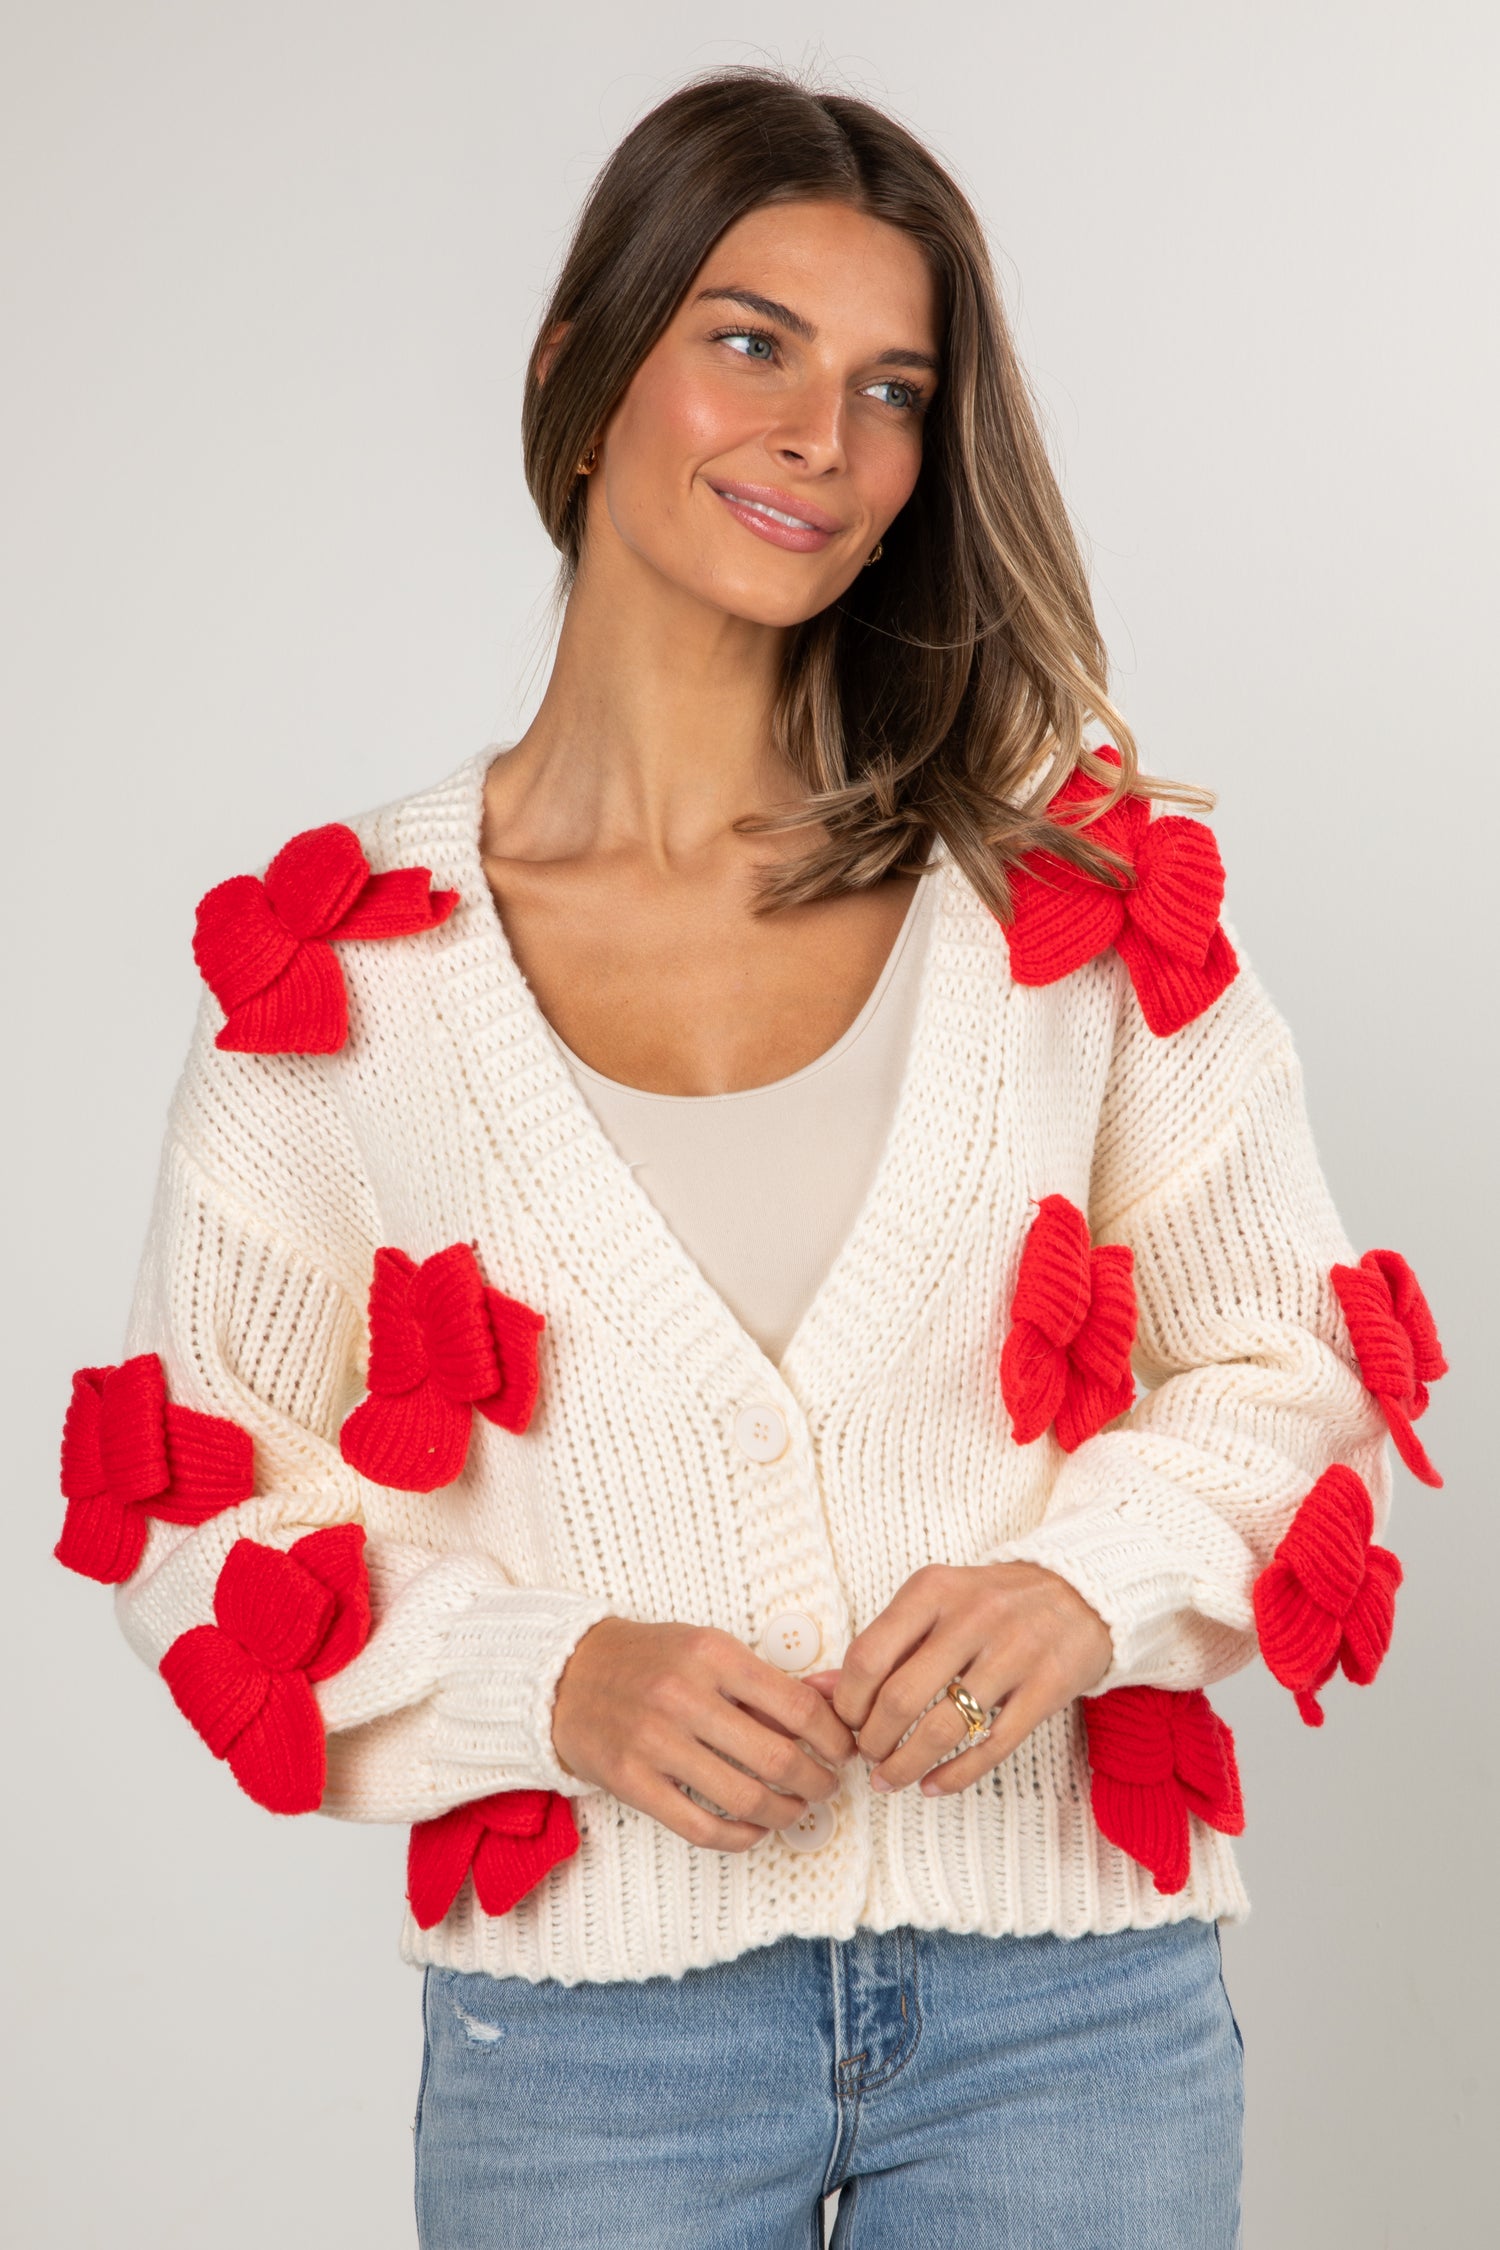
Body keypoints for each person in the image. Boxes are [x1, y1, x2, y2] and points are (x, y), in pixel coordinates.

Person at [55, 65, 1446, 2250]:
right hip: (594, 2046)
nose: (825, 435)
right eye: (749, 340)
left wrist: (1084, 1588)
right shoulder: (355, 988)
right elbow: (191, 1499)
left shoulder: (1075, 899)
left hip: (1072, 2007)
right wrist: (549, 1679)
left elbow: (1294, 1359)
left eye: (895, 386)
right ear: (581, 375)